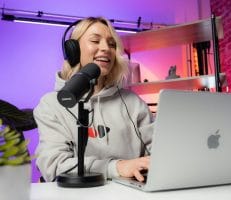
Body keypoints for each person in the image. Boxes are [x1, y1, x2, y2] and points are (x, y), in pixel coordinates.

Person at [34, 17, 153, 183]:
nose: (106, 48)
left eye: (112, 44)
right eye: (95, 41)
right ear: (73, 50)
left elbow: (159, 152)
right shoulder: (51, 105)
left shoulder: (132, 102)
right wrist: (117, 167)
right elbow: (54, 167)